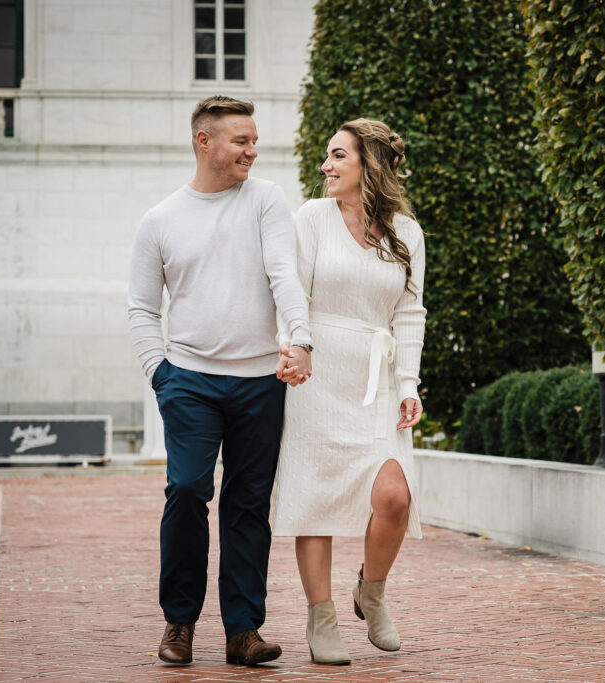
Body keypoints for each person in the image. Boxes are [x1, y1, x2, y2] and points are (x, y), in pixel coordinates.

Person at [127, 95, 313, 666]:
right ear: (204, 141)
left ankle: (242, 631)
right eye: (241, 141)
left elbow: (283, 272)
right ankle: (179, 623)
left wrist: (300, 338)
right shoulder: (159, 220)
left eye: (254, 141)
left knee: (249, 505)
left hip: (261, 379)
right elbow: (140, 306)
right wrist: (159, 372)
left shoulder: (266, 200)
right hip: (188, 379)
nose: (252, 151)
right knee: (186, 491)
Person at [272, 118, 426, 665]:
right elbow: (290, 291)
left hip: (377, 380)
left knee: (394, 496)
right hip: (318, 374)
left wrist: (408, 382)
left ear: (370, 165)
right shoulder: (311, 218)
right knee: (316, 499)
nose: (326, 166)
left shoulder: (407, 233)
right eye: (327, 156)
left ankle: (372, 592)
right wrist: (295, 346)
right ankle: (322, 617)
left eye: (338, 156)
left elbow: (410, 312)